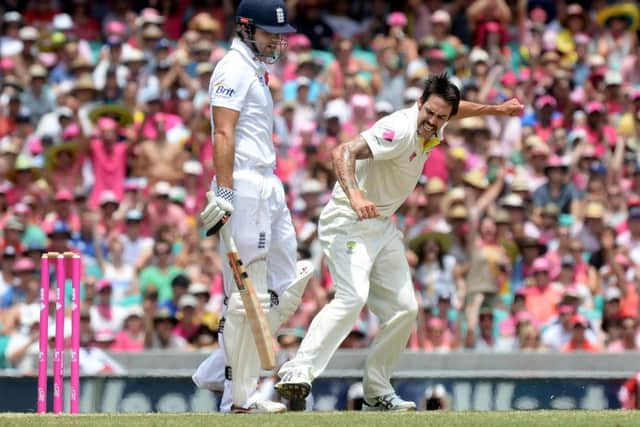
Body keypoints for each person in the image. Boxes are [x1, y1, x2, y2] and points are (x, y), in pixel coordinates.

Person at [276, 73, 523, 410]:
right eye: (429, 113)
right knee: (352, 298)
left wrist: (496, 110)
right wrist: (356, 194)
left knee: (405, 310)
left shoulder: (438, 121)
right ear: (418, 104)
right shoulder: (399, 129)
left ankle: (377, 391)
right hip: (348, 220)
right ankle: (297, 371)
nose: (433, 121)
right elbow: (343, 151)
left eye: (440, 117)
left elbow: (459, 110)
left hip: (381, 225)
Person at [193, 0, 314, 414]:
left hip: (268, 181)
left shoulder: (256, 69)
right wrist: (225, 192)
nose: (278, 41)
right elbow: (222, 133)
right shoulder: (231, 68)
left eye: (281, 33)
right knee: (246, 296)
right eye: (269, 33)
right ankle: (236, 398)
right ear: (246, 28)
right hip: (243, 184)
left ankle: (220, 366)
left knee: (289, 281)